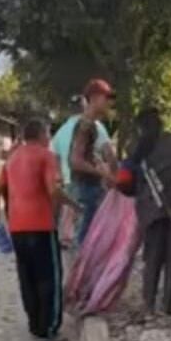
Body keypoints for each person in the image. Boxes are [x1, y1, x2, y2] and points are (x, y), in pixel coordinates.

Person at [0, 119, 70, 341]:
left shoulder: (12, 159)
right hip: (42, 226)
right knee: (49, 278)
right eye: (48, 134)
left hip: (17, 228)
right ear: (42, 135)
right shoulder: (46, 156)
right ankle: (49, 328)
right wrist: (72, 207)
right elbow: (54, 191)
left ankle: (35, 325)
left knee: (28, 278)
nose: (49, 139)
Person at [130, 108, 171, 315]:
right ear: (160, 123)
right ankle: (167, 305)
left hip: (152, 209)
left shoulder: (137, 150)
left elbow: (129, 182)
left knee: (153, 256)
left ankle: (149, 304)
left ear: (140, 128)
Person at [51, 95, 112, 248]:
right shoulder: (94, 125)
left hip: (68, 182)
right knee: (88, 227)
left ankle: (70, 245)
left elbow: (54, 155)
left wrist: (59, 175)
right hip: (88, 181)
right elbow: (108, 152)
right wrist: (109, 174)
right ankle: (84, 255)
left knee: (74, 219)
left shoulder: (61, 131)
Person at [69, 79, 117, 248]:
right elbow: (76, 161)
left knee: (93, 241)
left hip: (90, 188)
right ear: (95, 98)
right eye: (106, 98)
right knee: (87, 243)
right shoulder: (85, 125)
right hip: (86, 188)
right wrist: (102, 173)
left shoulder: (92, 125)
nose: (109, 103)